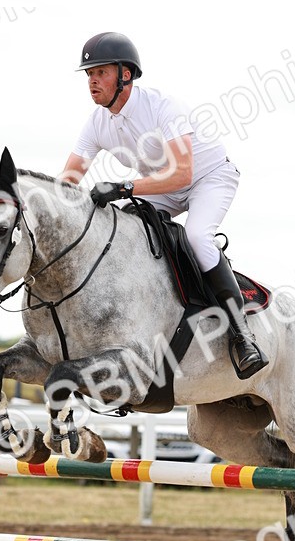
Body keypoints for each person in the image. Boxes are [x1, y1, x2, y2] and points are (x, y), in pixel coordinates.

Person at [60, 31, 268, 379]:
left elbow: (182, 174)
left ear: (125, 74)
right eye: (89, 75)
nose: (92, 81)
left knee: (198, 237)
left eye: (101, 73)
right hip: (163, 185)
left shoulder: (162, 107)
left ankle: (241, 335)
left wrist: (125, 186)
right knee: (124, 231)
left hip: (208, 177)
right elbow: (68, 180)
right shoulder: (97, 123)